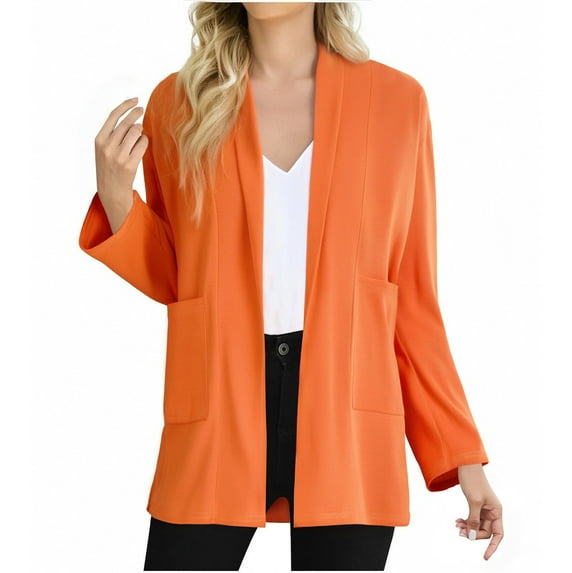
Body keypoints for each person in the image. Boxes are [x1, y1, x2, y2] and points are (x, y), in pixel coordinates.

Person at [80, 2, 504, 570]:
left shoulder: (397, 103)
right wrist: (117, 199)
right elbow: (180, 278)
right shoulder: (180, 103)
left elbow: (410, 296)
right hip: (215, 408)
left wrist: (463, 457)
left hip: (350, 416)